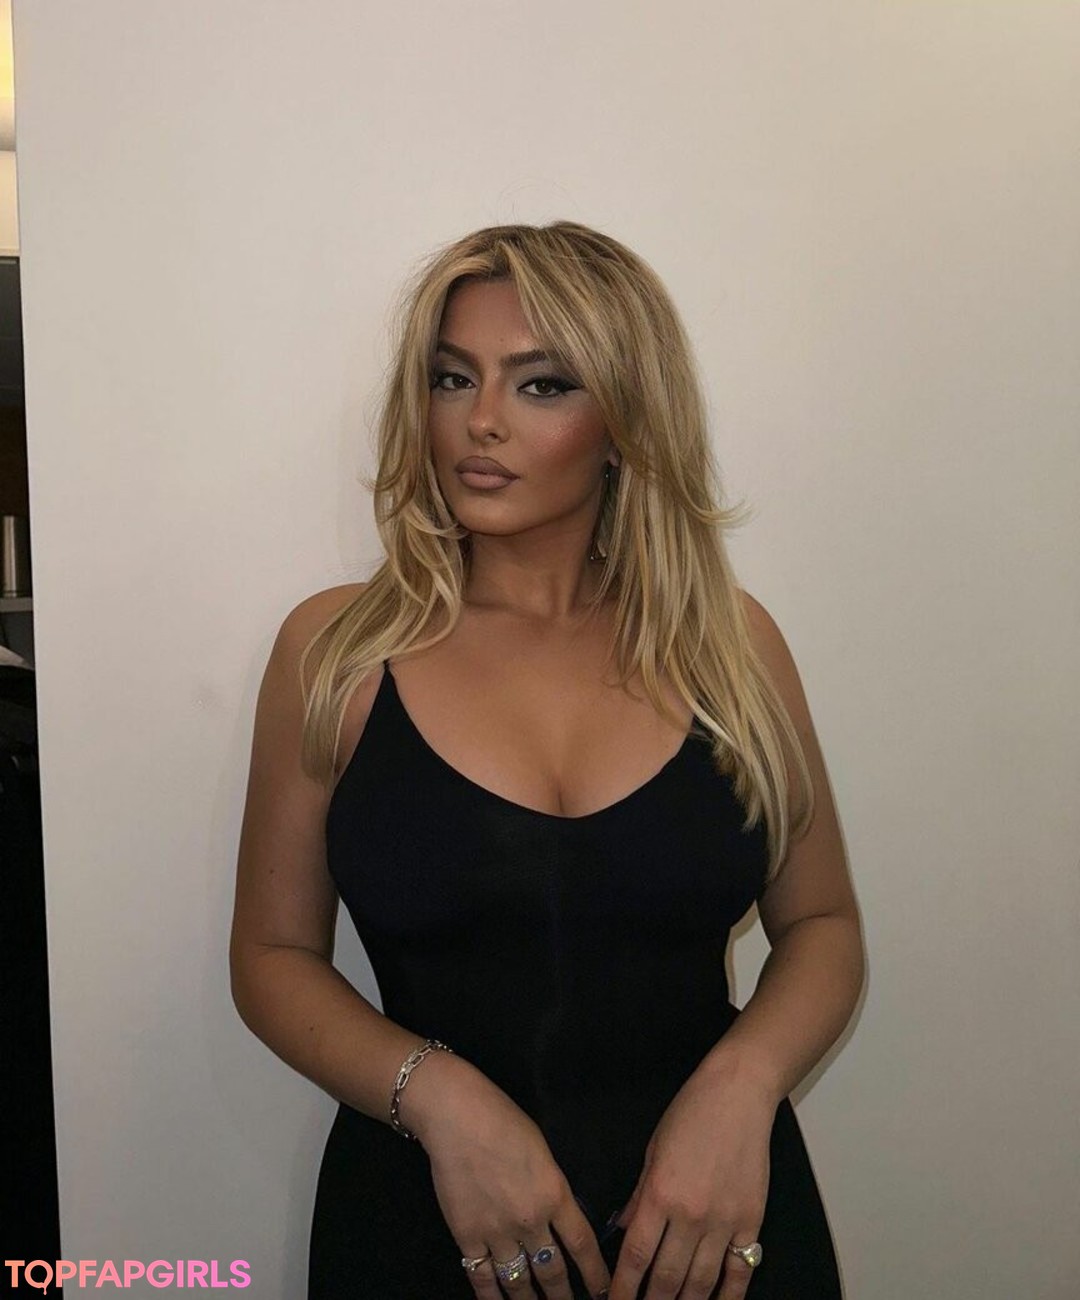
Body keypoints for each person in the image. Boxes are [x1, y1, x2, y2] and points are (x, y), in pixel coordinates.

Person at [230, 221, 865, 1300]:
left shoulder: (729, 646)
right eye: (452, 377)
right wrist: (438, 1099)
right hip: (430, 1222)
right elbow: (271, 956)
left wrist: (742, 1088)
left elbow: (824, 925)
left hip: (713, 1227)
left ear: (625, 422)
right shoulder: (339, 656)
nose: (479, 420)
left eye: (541, 385)